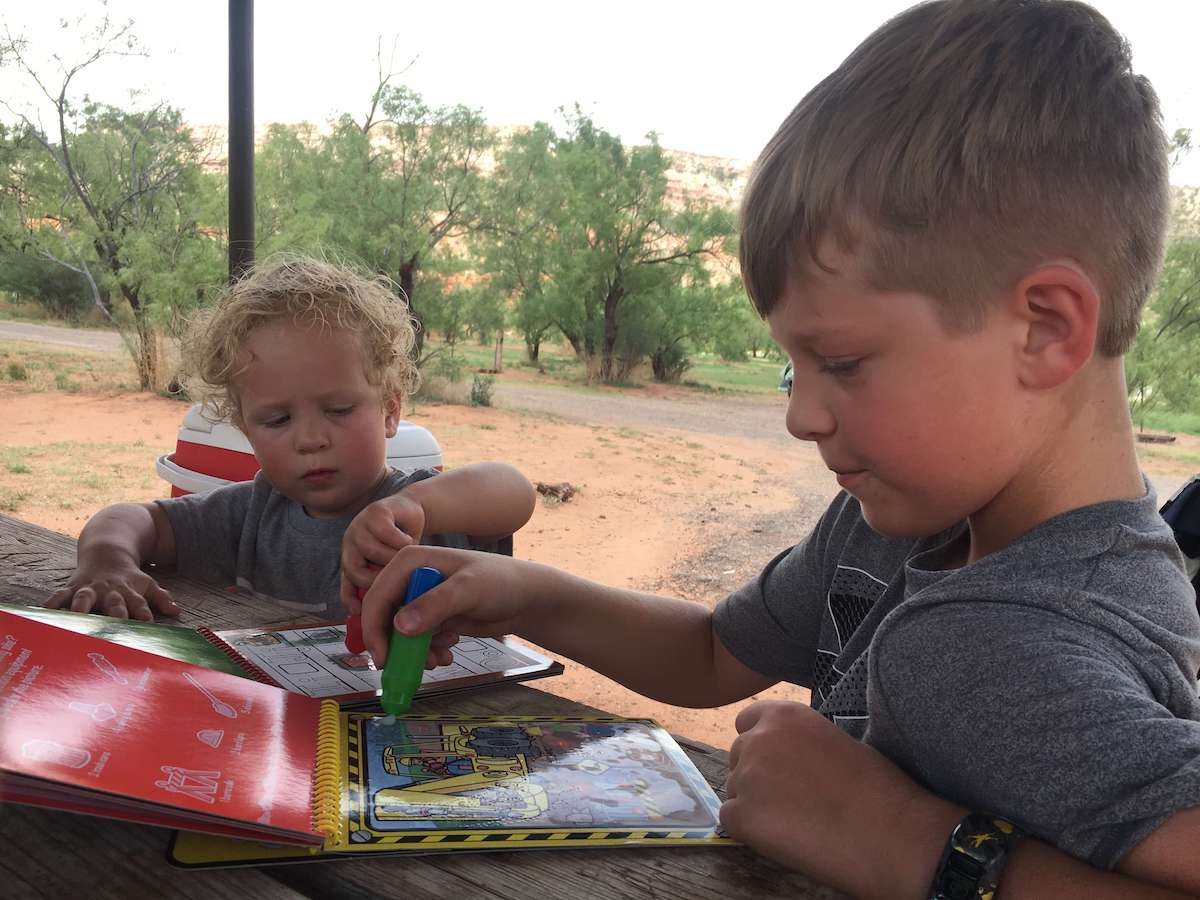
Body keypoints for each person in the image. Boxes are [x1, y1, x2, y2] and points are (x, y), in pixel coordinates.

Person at [354, 2, 1200, 897]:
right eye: (796, 369)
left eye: (841, 362)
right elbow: (718, 652)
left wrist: (913, 847)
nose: (802, 419)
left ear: (1044, 329)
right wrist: (523, 593)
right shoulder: (896, 519)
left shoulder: (1017, 641)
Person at [47, 258, 535, 622]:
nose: (310, 439)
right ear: (245, 429)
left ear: (390, 409)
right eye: (277, 419)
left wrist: (415, 506)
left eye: (339, 410)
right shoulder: (250, 517)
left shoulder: (420, 511)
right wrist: (106, 560)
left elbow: (513, 491)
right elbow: (131, 518)